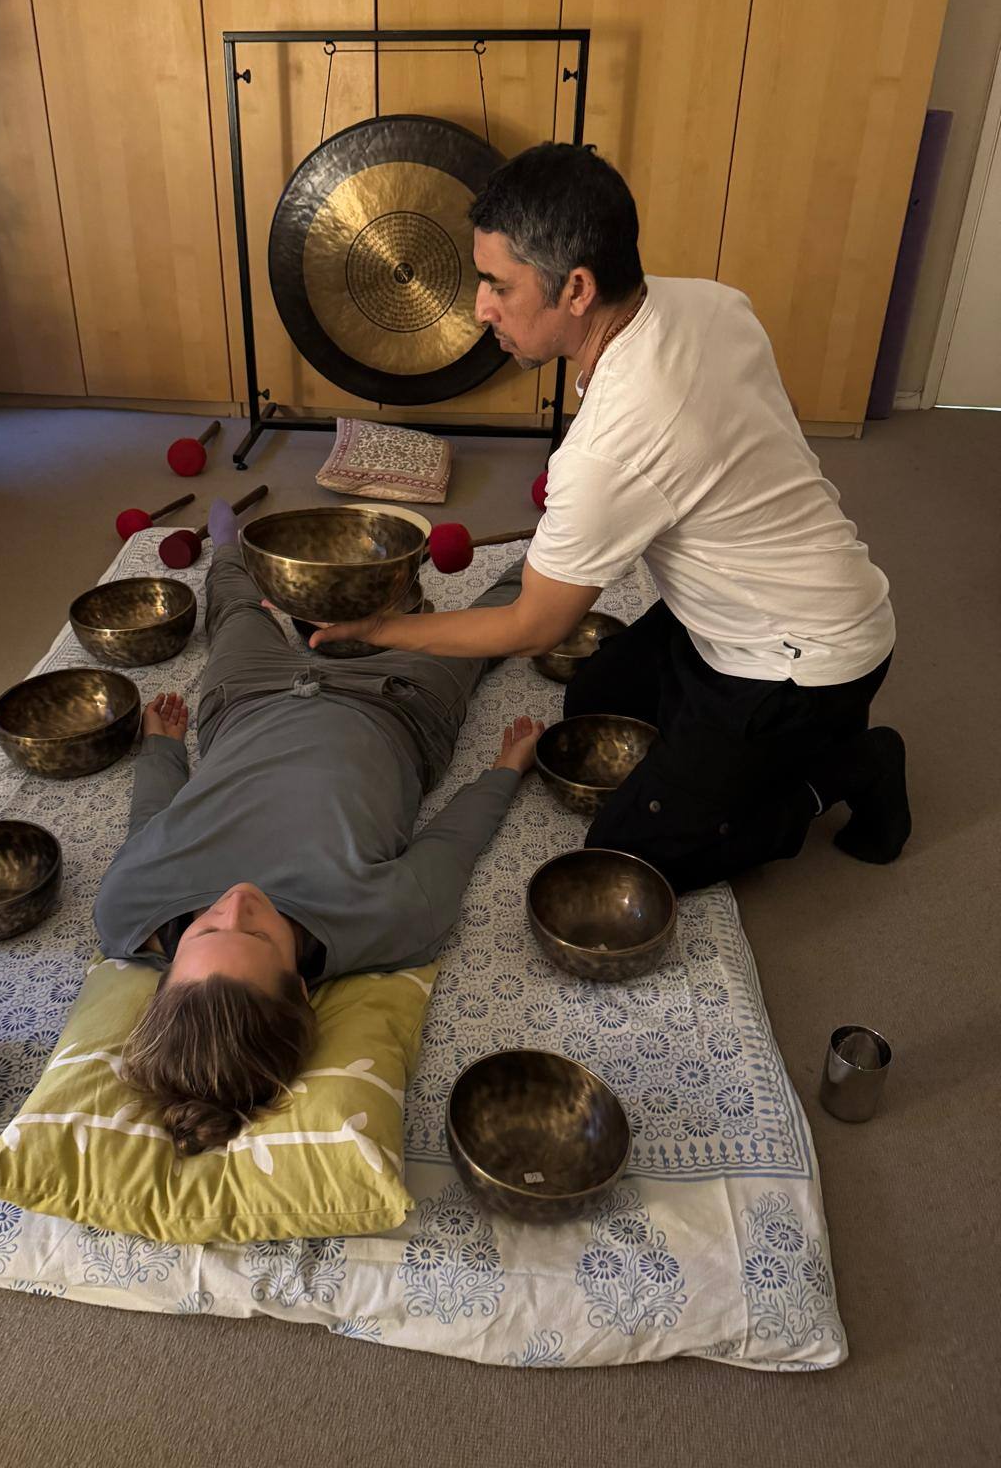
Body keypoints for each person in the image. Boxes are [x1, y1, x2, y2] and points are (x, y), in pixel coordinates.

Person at [312, 142, 910, 896]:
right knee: (592, 702)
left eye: (498, 285)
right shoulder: (712, 300)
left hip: (802, 664)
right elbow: (766, 426)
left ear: (578, 288)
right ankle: (741, 751)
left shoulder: (608, 452)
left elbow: (533, 626)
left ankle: (848, 767)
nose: (479, 308)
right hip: (770, 608)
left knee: (625, 859)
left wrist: (381, 632)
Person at [92, 499, 544, 1157]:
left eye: (208, 929)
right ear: (301, 986)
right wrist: (503, 771)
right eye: (257, 933)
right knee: (489, 634)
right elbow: (453, 843)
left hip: (245, 702)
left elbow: (153, 826)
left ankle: (226, 540)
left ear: (167, 970)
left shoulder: (126, 910)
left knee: (239, 613)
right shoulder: (389, 923)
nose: (238, 901)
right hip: (397, 705)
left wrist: (162, 750)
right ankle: (554, 539)